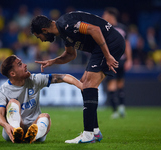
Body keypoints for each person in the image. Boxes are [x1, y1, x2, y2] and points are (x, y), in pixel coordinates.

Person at [30, 11, 125, 143]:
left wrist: (108, 55)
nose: (41, 39)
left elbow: (95, 29)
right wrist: (53, 61)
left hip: (110, 44)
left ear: (44, 30)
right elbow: (70, 55)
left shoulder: (66, 24)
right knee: (83, 84)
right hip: (104, 46)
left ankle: (88, 134)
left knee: (88, 86)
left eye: (38, 36)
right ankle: (95, 131)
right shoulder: (63, 32)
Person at [0, 55, 82, 143]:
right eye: (20, 64)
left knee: (45, 116)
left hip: (34, 126)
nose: (25, 65)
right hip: (11, 130)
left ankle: (32, 136)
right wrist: (6, 126)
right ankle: (17, 131)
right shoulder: (3, 90)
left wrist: (81, 85)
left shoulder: (35, 79)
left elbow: (63, 77)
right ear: (13, 73)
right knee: (13, 102)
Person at [102, 7, 132, 118]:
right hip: (122, 59)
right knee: (120, 84)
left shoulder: (106, 28)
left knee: (112, 85)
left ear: (110, 15)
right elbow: (127, 45)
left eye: (105, 14)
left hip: (112, 60)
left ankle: (116, 111)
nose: (103, 16)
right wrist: (129, 59)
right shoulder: (123, 28)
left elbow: (127, 45)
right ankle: (121, 108)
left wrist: (129, 59)